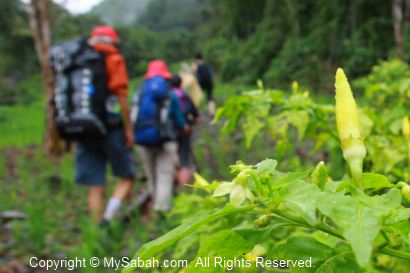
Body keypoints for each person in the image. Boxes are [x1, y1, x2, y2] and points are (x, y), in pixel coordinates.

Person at [75, 25, 135, 224]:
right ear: (113, 41)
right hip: (110, 128)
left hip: (84, 129)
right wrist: (128, 129)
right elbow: (121, 96)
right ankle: (108, 219)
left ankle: (95, 227)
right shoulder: (114, 59)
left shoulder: (79, 63)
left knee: (95, 183)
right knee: (127, 176)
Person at [135, 60, 189, 212]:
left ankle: (154, 203)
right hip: (166, 140)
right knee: (164, 175)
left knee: (151, 176)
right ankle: (162, 210)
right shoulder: (170, 95)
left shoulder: (139, 94)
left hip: (143, 140)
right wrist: (184, 127)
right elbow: (178, 117)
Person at [170, 75, 201, 185]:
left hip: (169, 132)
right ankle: (184, 184)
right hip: (185, 130)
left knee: (173, 153)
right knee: (184, 155)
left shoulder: (167, 96)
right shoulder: (185, 96)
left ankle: (174, 176)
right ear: (181, 83)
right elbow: (197, 117)